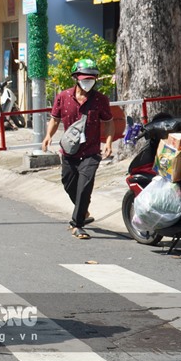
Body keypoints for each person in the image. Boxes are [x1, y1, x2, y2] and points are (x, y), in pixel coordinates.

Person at [41, 58, 114, 239]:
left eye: (92, 78)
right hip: (69, 151)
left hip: (90, 152)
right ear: (76, 78)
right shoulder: (63, 97)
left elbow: (109, 122)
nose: (88, 82)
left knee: (84, 187)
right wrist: (48, 135)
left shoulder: (101, 100)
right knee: (69, 184)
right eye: (84, 78)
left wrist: (109, 142)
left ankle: (77, 224)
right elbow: (55, 118)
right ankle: (83, 211)